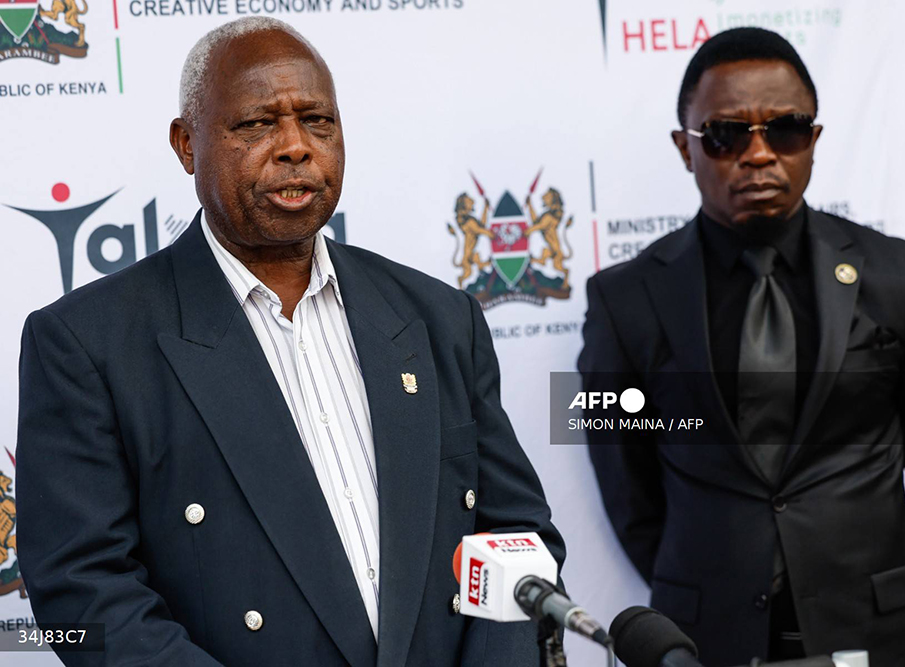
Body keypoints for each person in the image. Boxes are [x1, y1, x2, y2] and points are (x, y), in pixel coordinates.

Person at [16, 17, 563, 667]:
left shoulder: (439, 318)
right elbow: (85, 594)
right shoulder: (88, 342)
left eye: (317, 121)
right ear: (187, 144)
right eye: (256, 124)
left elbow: (516, 540)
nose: (295, 146)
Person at [579, 27, 905, 667]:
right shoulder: (618, 301)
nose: (759, 155)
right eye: (725, 135)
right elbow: (624, 490)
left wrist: (896, 596)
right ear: (685, 149)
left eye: (787, 130)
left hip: (882, 641)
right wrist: (706, 587)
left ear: (815, 141)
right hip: (703, 641)